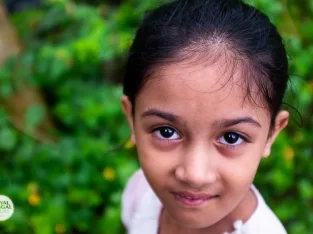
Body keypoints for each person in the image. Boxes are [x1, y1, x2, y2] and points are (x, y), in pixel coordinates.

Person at [120, 0, 290, 233]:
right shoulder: (140, 194)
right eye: (166, 131)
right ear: (132, 118)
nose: (194, 175)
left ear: (271, 134)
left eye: (231, 137)